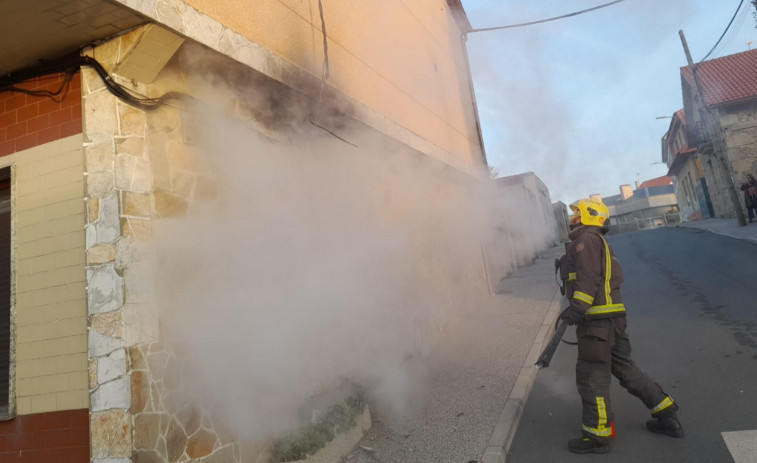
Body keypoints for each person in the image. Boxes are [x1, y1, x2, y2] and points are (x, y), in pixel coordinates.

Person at [558, 198, 683, 455]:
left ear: (590, 217)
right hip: (611, 321)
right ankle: (666, 412)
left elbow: (588, 278)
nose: (573, 219)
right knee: (626, 370)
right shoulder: (597, 241)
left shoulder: (587, 241)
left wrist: (576, 309)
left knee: (592, 377)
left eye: (577, 214)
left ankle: (597, 436)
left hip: (596, 324)